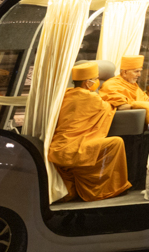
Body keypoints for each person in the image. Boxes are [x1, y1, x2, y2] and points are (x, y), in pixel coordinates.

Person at [48, 61, 131, 202]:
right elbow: (109, 107)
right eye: (96, 79)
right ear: (88, 83)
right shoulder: (90, 97)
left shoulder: (66, 94)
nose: (98, 82)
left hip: (58, 147)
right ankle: (107, 189)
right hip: (73, 148)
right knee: (116, 142)